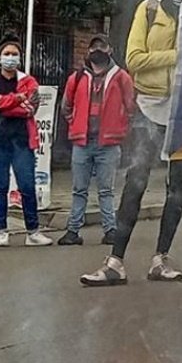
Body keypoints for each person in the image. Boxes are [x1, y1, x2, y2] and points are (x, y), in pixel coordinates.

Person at [80, 0, 182, 287]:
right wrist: (178, 56)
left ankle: (161, 258)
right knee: (136, 183)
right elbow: (134, 59)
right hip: (150, 108)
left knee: (177, 188)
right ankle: (115, 261)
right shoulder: (149, 10)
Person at [57, 35, 135, 247]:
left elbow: (131, 108)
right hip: (82, 142)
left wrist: (119, 127)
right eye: (94, 46)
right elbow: (66, 106)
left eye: (102, 46)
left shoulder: (121, 77)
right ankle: (72, 232)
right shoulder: (77, 77)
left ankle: (110, 231)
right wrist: (75, 123)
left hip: (108, 144)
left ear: (110, 50)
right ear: (89, 51)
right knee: (79, 189)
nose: (98, 49)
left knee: (106, 190)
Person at [0, 35, 51, 247]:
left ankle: (33, 232)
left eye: (14, 54)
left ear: (20, 58)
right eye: (6, 54)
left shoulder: (29, 81)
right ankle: (1, 231)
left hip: (22, 141)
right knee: (0, 187)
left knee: (27, 185)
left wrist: (4, 103)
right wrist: (17, 98)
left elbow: (31, 108)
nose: (10, 58)